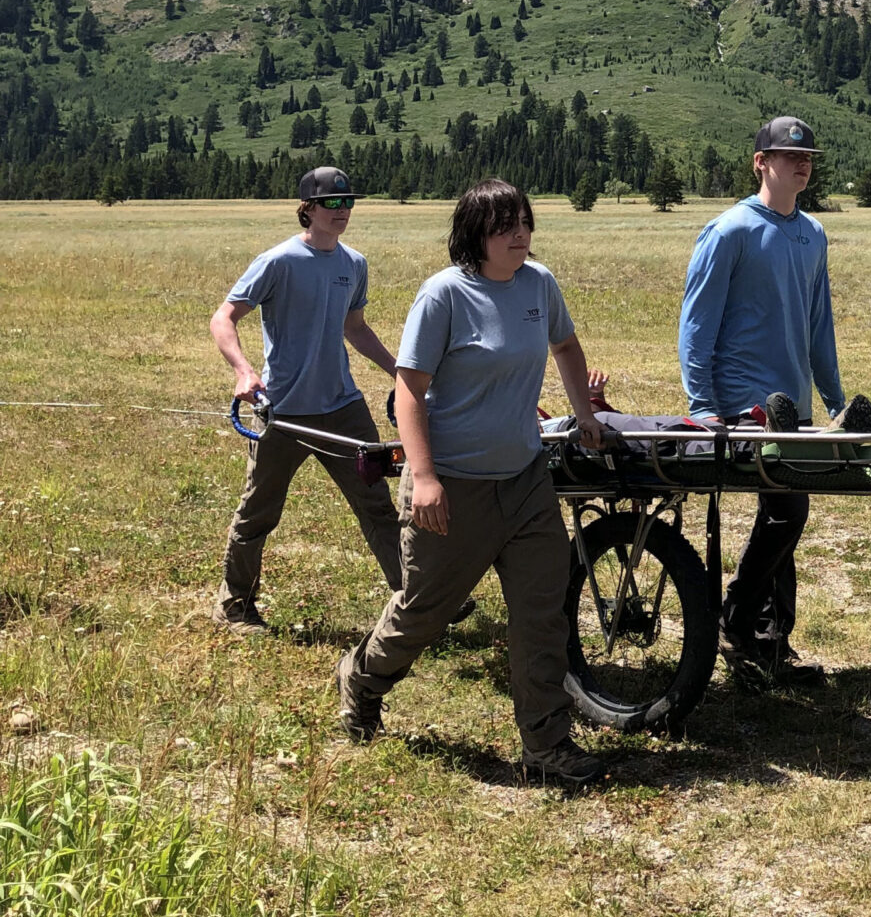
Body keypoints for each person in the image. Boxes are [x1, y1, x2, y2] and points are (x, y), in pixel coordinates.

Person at [336, 178, 609, 787]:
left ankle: (546, 744)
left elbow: (565, 345)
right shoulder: (444, 296)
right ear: (474, 235)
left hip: (524, 482)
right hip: (451, 489)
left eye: (525, 223)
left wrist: (584, 414)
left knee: (542, 614)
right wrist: (424, 475)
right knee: (422, 614)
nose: (520, 235)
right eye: (504, 226)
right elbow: (409, 390)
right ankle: (361, 678)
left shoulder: (539, 284)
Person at [678, 115, 862, 688]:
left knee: (783, 516)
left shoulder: (812, 233)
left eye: (806, 157)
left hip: (795, 404)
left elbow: (818, 325)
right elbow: (696, 325)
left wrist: (834, 399)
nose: (800, 163)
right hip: (743, 405)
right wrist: (702, 405)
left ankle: (770, 643)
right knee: (789, 511)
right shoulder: (729, 231)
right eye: (788, 156)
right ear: (761, 162)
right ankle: (742, 624)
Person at [210, 166, 402, 634]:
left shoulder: (353, 264)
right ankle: (234, 607)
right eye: (332, 204)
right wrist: (244, 371)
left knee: (377, 503)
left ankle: (414, 601)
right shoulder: (278, 262)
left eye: (348, 203)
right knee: (259, 511)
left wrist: (401, 373)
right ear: (308, 209)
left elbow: (354, 329)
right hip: (284, 412)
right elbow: (224, 317)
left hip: (343, 407)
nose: (342, 212)